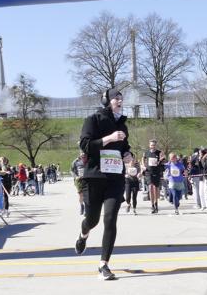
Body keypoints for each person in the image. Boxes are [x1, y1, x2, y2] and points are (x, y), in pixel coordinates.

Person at [73, 88, 132, 281]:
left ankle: (103, 264)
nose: (120, 101)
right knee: (93, 220)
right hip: (95, 176)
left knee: (110, 218)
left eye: (121, 98)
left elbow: (124, 147)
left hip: (115, 178)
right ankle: (83, 234)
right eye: (116, 98)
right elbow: (85, 145)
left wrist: (127, 154)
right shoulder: (93, 120)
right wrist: (109, 139)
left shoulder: (122, 125)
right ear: (106, 100)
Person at [142, 139, 164, 214]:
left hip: (156, 172)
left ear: (155, 145)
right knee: (150, 188)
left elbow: (163, 161)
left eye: (154, 145)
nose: (152, 146)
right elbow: (143, 158)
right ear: (149, 145)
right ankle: (152, 205)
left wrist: (161, 160)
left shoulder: (159, 152)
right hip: (148, 172)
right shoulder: (146, 152)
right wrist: (143, 166)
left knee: (155, 189)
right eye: (151, 145)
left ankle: (156, 204)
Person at [70, 151, 87, 215]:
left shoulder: (88, 160)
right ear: (79, 154)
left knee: (86, 194)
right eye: (81, 153)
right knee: (81, 195)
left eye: (84, 153)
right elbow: (71, 171)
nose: (83, 154)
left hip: (86, 179)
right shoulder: (75, 161)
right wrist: (76, 176)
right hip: (79, 180)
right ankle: (82, 206)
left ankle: (86, 208)